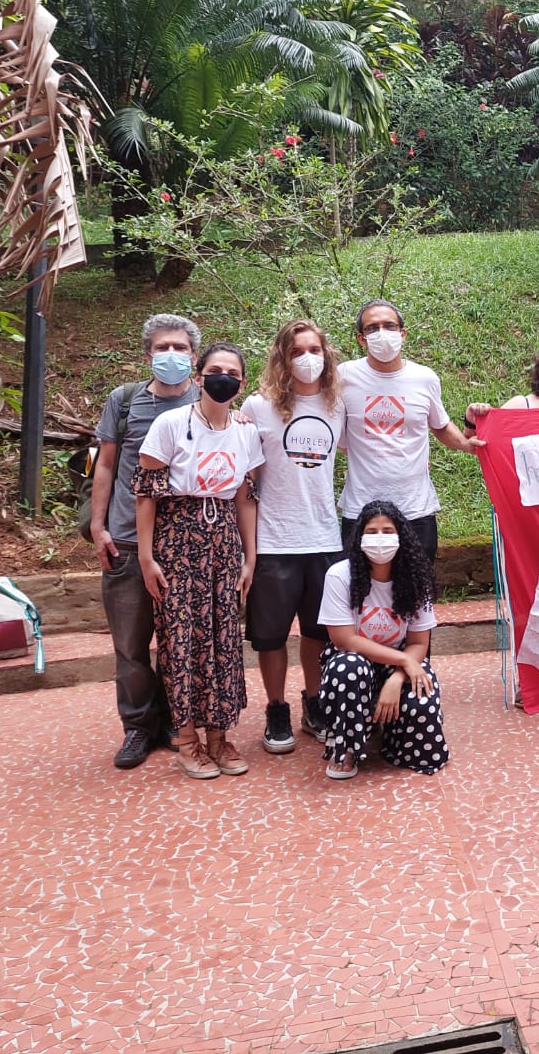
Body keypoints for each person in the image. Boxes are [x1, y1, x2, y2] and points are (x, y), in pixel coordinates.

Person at [134, 342, 263, 780]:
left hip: (224, 539)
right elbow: (146, 491)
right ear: (199, 374)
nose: (221, 377)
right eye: (214, 369)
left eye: (231, 372)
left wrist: (250, 555)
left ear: (241, 382)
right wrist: (147, 557)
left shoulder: (245, 430)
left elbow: (246, 497)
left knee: (223, 639)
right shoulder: (171, 423)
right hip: (177, 539)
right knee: (181, 640)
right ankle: (187, 741)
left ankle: (219, 737)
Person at [91, 313, 202, 770]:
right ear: (148, 353)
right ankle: (138, 726)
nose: (171, 355)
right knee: (131, 646)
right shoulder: (124, 400)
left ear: (194, 355)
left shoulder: (208, 398)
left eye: (180, 347)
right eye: (163, 347)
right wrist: (99, 527)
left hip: (187, 544)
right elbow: (105, 466)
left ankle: (181, 719)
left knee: (183, 640)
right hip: (125, 540)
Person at [241, 319, 346, 754]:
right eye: (298, 351)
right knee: (271, 636)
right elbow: (245, 483)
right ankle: (276, 709)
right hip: (275, 541)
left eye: (315, 350)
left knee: (318, 635)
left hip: (324, 537)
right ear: (283, 358)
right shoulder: (257, 406)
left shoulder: (337, 404)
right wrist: (249, 550)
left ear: (327, 355)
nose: (308, 359)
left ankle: (314, 704)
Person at [338, 299, 483, 563]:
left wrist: (467, 444)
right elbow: (313, 408)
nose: (382, 333)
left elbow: (440, 425)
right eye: (373, 328)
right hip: (361, 507)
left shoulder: (424, 378)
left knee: (417, 594)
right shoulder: (343, 377)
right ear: (361, 338)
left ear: (403, 334)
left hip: (415, 508)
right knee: (359, 595)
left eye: (389, 326)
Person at [315, 500, 448, 780]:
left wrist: (398, 676)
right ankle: (346, 747)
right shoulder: (340, 576)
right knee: (347, 669)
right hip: (353, 659)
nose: (380, 539)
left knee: (422, 710)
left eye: (387, 531)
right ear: (359, 536)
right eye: (371, 531)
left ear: (401, 536)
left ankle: (389, 736)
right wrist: (403, 660)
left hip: (399, 660)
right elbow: (344, 640)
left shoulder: (416, 579)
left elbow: (419, 643)